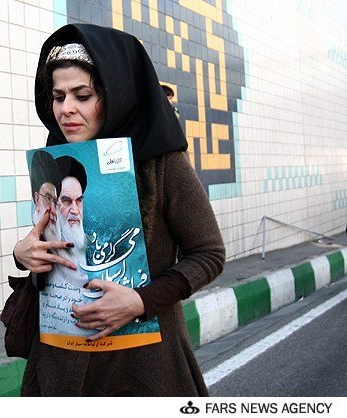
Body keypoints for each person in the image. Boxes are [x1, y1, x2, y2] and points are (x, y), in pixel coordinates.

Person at [12, 24, 225, 396]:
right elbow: (50, 247)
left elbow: (209, 254)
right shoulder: (55, 160)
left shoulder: (161, 161)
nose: (66, 109)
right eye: (58, 97)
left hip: (142, 368)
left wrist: (141, 301)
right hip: (61, 368)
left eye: (82, 95)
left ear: (115, 95)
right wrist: (23, 253)